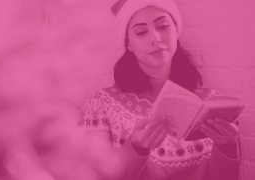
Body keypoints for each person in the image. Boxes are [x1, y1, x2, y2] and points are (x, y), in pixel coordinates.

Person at [78, 0, 241, 179]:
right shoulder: (101, 105)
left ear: (176, 32)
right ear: (129, 44)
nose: (155, 38)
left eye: (162, 26)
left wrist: (227, 147)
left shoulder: (212, 106)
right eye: (141, 32)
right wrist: (136, 148)